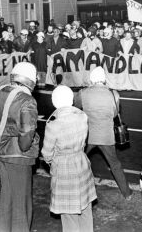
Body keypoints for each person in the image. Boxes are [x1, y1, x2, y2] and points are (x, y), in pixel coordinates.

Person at [0, 62, 40, 232]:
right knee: (22, 204)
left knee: (7, 199)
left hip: (2, 153)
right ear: (31, 80)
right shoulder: (27, 99)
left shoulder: (0, 91)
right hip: (19, 156)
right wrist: (22, 145)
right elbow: (26, 135)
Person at [42, 85, 97, 232]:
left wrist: (53, 162)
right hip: (81, 162)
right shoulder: (82, 116)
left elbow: (47, 153)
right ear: (71, 100)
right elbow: (84, 142)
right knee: (85, 208)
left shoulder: (53, 123)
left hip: (64, 168)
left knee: (68, 213)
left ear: (54, 102)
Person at [75, 66, 132, 199]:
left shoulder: (83, 93)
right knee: (115, 164)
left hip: (87, 135)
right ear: (104, 79)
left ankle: (76, 190)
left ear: (91, 79)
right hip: (106, 136)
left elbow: (77, 109)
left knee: (78, 162)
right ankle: (127, 193)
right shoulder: (114, 94)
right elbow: (115, 114)